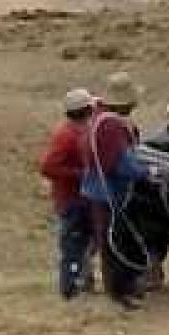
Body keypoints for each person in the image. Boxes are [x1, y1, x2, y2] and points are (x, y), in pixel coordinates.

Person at [82, 72, 149, 308]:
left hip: (98, 189)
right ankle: (120, 292)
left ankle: (121, 288)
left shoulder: (99, 119)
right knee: (114, 243)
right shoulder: (111, 126)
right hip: (108, 193)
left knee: (111, 241)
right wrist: (146, 172)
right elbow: (122, 164)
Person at [37, 87, 98, 299]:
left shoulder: (78, 131)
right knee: (73, 245)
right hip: (72, 200)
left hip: (81, 199)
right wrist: (81, 174)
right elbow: (47, 166)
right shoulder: (66, 135)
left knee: (86, 243)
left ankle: (82, 281)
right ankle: (71, 288)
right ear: (86, 110)